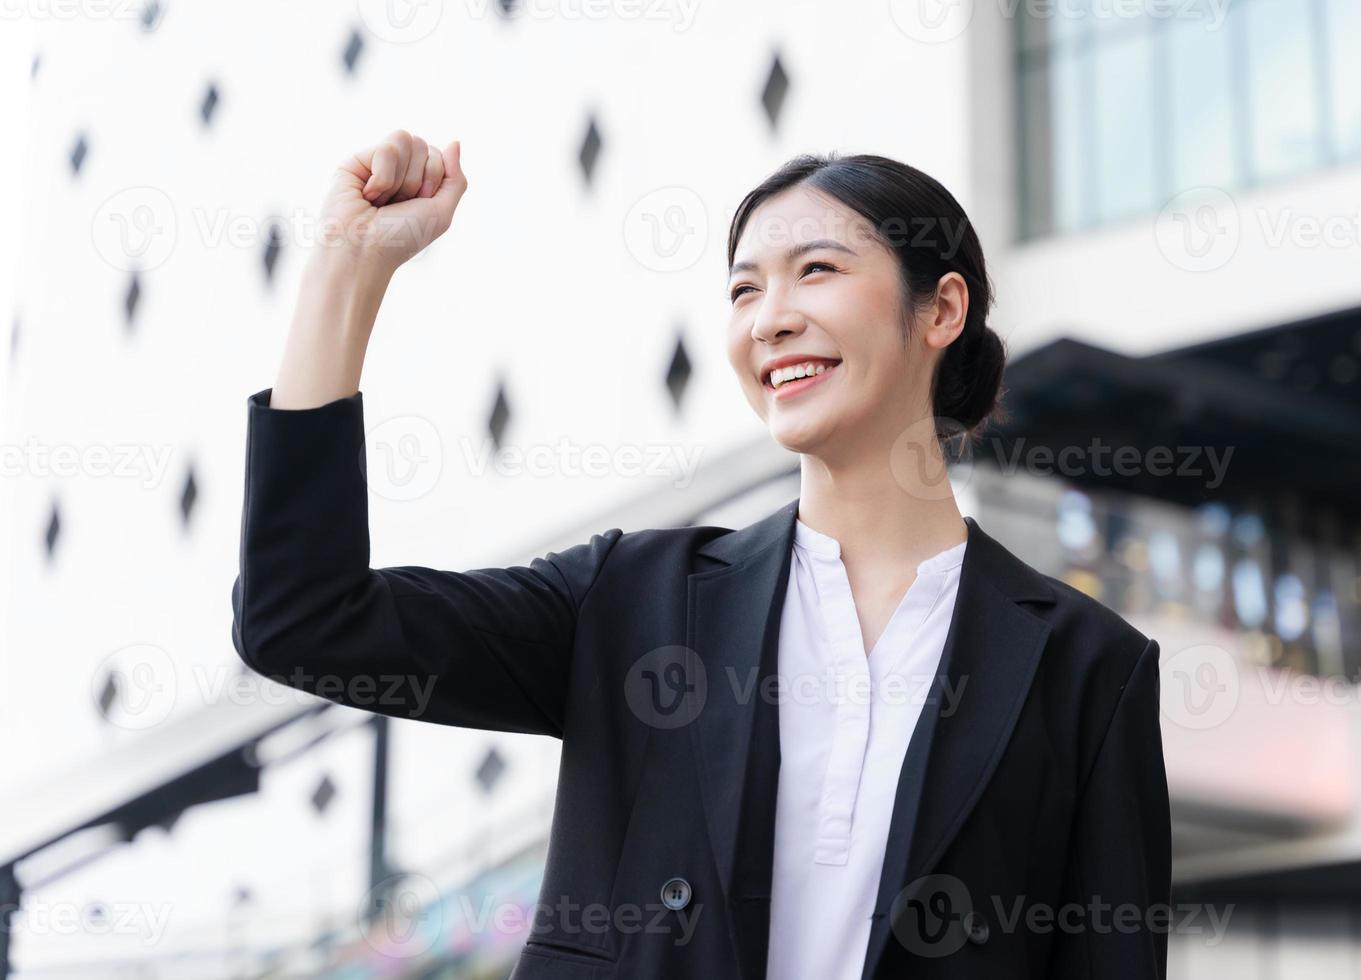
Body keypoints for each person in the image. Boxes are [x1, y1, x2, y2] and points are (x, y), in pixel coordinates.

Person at [231, 129, 1171, 979]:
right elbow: (305, 621)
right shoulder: (633, 600)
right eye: (743, 288)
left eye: (817, 270)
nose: (770, 318)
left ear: (941, 310)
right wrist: (345, 273)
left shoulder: (1087, 665)